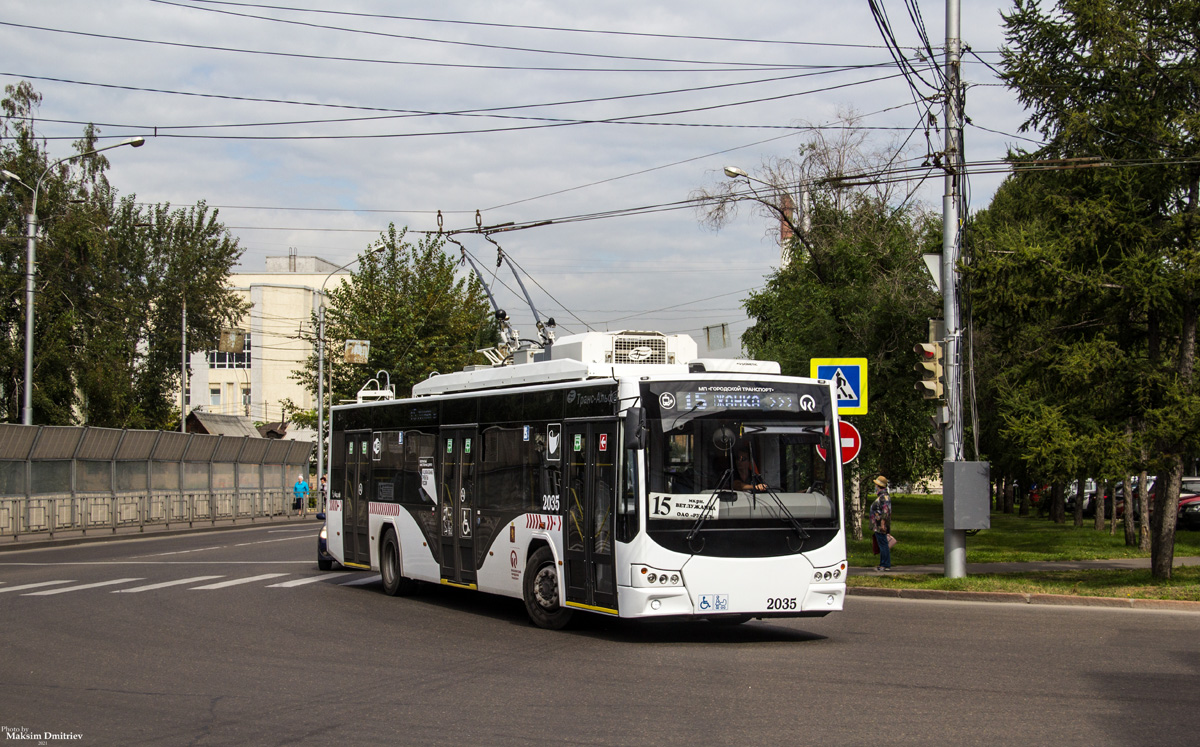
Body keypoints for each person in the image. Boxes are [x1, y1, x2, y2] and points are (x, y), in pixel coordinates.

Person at [869, 475, 892, 571]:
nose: (875, 486)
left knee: (883, 544)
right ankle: (883, 563)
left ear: (878, 485)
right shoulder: (882, 496)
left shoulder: (884, 497)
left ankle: (885, 564)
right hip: (877, 524)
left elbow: (885, 512)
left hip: (880, 525)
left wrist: (882, 524)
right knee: (882, 544)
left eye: (876, 485)